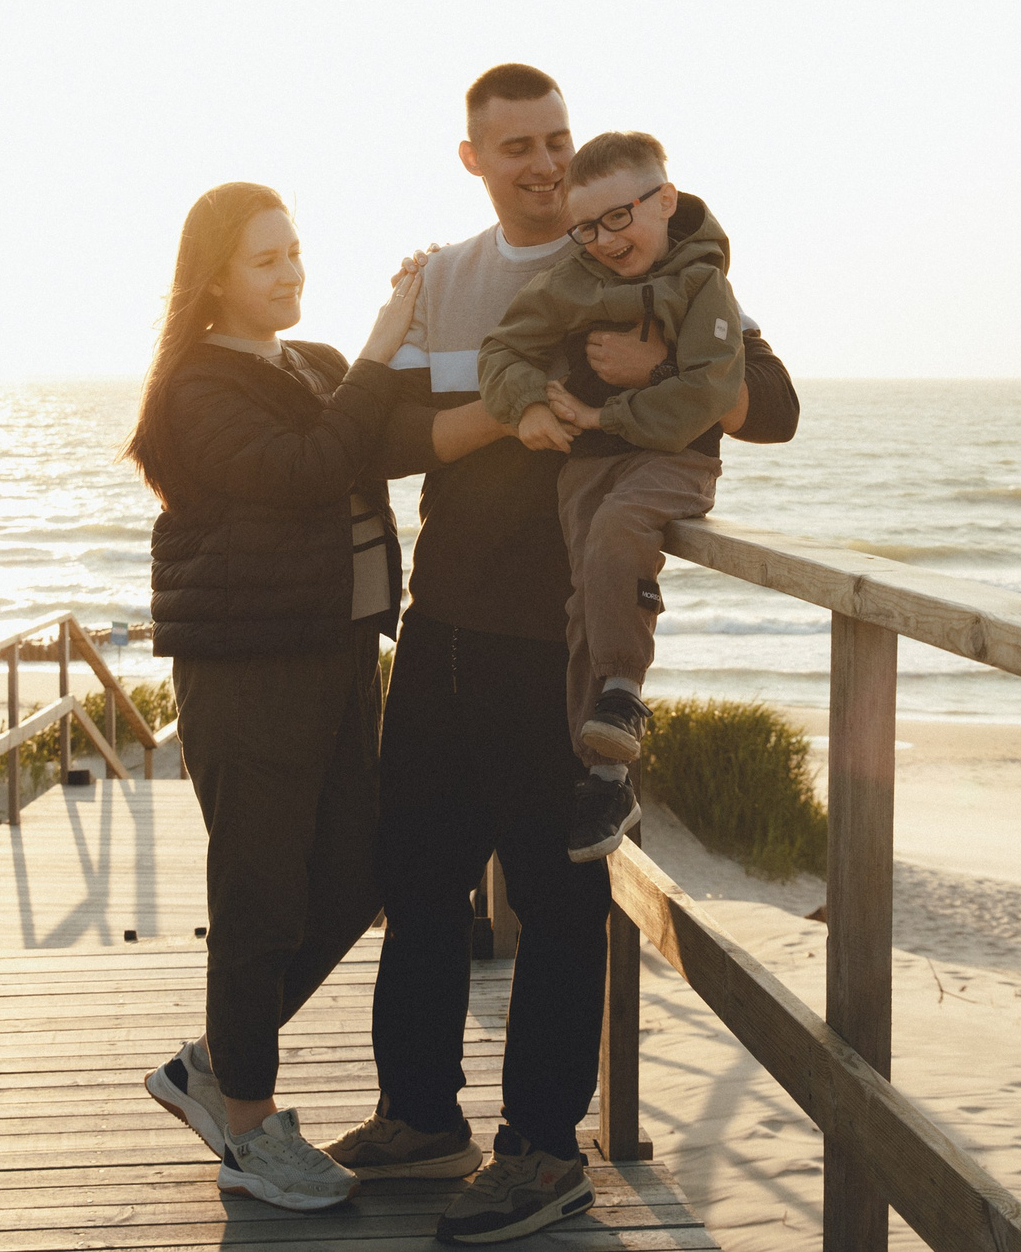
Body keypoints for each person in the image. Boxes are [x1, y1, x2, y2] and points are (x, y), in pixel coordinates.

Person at [323, 65, 800, 1245]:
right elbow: (378, 434)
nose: (540, 163)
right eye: (515, 145)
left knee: (555, 893)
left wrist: (636, 372)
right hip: (438, 623)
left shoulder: (647, 254)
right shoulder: (446, 276)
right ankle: (420, 1115)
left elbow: (773, 402)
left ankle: (542, 1150)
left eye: (555, 140)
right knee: (417, 875)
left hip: (554, 636)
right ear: (472, 157)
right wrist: (513, 404)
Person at [126, 181, 423, 1213]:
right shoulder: (196, 388)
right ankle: (246, 1121)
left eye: (295, 251)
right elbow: (306, 468)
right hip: (248, 666)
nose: (291, 270)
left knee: (354, 870)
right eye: (266, 258)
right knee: (259, 890)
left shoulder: (316, 365)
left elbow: (385, 438)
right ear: (215, 277)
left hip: (340, 653)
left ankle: (211, 1061)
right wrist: (386, 345)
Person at [477, 130, 744, 862]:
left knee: (618, 534)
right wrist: (527, 404)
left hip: (672, 458)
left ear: (664, 200)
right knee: (584, 603)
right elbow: (502, 350)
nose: (603, 241)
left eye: (618, 219)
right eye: (586, 227)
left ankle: (624, 693)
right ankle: (603, 777)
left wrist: (607, 412)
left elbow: (713, 392)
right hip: (588, 465)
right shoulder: (574, 279)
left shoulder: (704, 281)